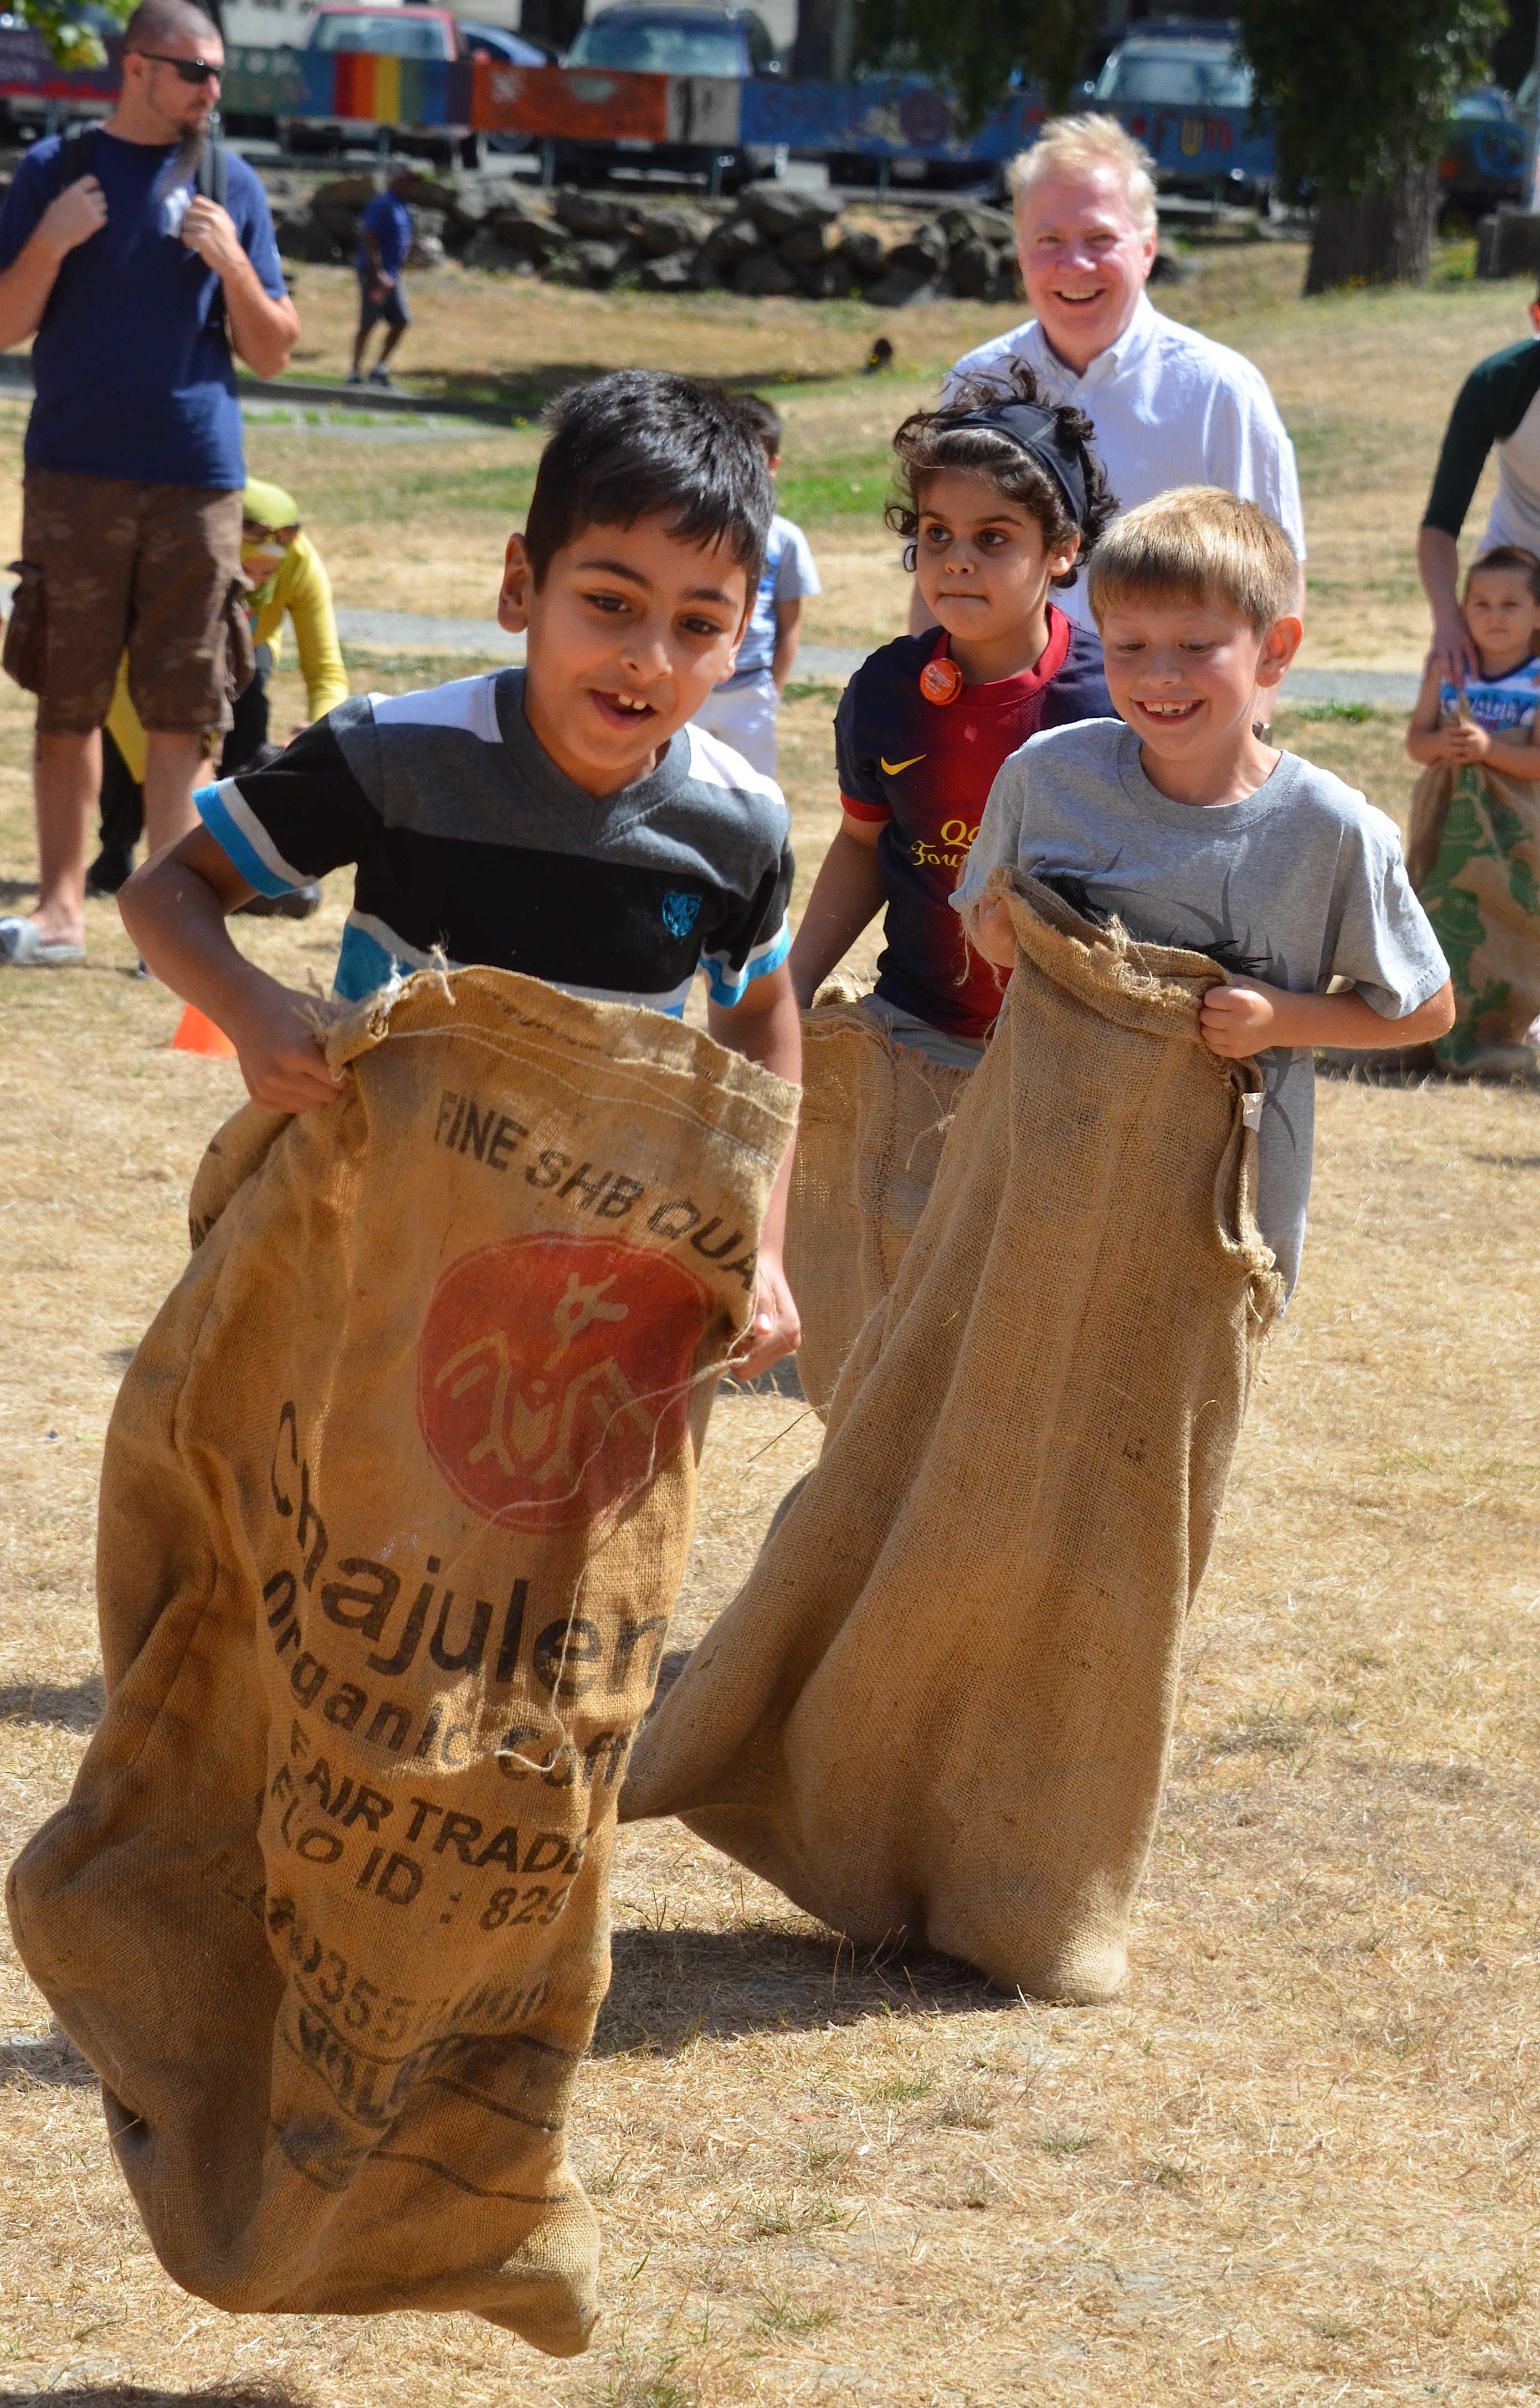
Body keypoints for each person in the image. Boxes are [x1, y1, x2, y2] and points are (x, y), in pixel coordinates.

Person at [120, 370, 803, 1377]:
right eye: (609, 602)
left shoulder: (740, 823)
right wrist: (255, 1010)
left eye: (698, 624)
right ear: (521, 584)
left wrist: (764, 1234)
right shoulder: (396, 753)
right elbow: (163, 893)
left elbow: (756, 1016)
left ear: (738, 636)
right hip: (368, 1234)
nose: (649, 658)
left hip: (587, 1275)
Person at [955, 488, 1455, 1298]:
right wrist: (1002, 941)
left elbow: (1427, 1009)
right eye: (1129, 646)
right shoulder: (1045, 778)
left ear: (1275, 650)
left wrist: (1283, 1017)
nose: (1160, 675)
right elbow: (981, 913)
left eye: (1196, 645)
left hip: (1221, 1209)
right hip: (1044, 1167)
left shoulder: (1330, 829)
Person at [0, 0, 296, 968]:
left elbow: (275, 351)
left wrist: (232, 263)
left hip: (196, 480)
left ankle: (167, 930)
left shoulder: (232, 184)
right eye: (195, 71)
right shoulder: (55, 173)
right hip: (74, 475)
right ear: (136, 68)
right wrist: (49, 242)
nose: (212, 90)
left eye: (218, 74)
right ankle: (58, 913)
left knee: (187, 705)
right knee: (67, 696)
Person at [789, 365, 1115, 1070]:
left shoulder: (1113, 698)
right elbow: (859, 845)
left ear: (1063, 550)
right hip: (915, 1028)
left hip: (1074, 1044)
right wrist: (788, 987)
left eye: (993, 538)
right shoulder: (884, 690)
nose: (956, 561)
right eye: (937, 534)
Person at [914, 114, 1303, 638]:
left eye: (1099, 238)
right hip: (1007, 711)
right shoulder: (979, 381)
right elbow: (936, 574)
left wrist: (1251, 721)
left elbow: (1276, 583)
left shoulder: (1220, 393)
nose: (1074, 264)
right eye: (1049, 239)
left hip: (1167, 710)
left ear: (1147, 248)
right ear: (1021, 252)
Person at [89, 477, 350, 902]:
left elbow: (326, 670)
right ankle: (116, 845)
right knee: (135, 736)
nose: (256, 584)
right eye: (245, 571)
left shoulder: (300, 563)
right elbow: (117, 679)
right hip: (148, 660)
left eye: (269, 573)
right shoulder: (176, 556)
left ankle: (230, 858)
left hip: (247, 648)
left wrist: (320, 733)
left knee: (249, 710)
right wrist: (170, 772)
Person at [1405, 545, 1540, 1076]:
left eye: (1510, 604)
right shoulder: (1447, 668)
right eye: (1479, 604)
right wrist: (1444, 747)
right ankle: (1434, 1023)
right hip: (1446, 820)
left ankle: (1499, 1026)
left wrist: (1489, 751)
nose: (1493, 615)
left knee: (1507, 918)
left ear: (1537, 614)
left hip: (1516, 828)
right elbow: (1417, 742)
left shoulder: (1535, 677)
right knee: (1439, 908)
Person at [691, 394, 820, 779]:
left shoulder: (786, 539)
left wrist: (773, 688)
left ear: (773, 465)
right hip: (693, 685)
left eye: (755, 460)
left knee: (751, 786)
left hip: (750, 693)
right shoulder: (693, 534)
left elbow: (789, 623)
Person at [1419, 294, 1540, 687]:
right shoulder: (1501, 383)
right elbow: (1441, 524)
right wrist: (1449, 622)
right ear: (1538, 317)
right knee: (1460, 697)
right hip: (1516, 579)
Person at [350, 168, 414, 389]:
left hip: (393, 275)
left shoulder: (402, 207)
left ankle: (379, 369)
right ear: (395, 181)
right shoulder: (382, 204)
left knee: (401, 320)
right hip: (374, 274)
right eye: (407, 182)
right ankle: (355, 370)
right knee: (368, 322)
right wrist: (378, 273)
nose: (411, 187)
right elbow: (370, 237)